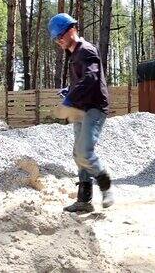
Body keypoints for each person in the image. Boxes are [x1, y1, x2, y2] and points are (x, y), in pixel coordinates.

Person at [48, 13, 113, 213]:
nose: (59, 41)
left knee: (85, 152)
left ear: (72, 30)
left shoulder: (86, 50)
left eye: (60, 36)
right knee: (78, 154)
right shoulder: (74, 55)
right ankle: (84, 200)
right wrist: (70, 89)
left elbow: (91, 78)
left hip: (94, 107)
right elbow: (82, 80)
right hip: (80, 108)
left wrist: (69, 98)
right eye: (56, 38)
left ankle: (106, 185)